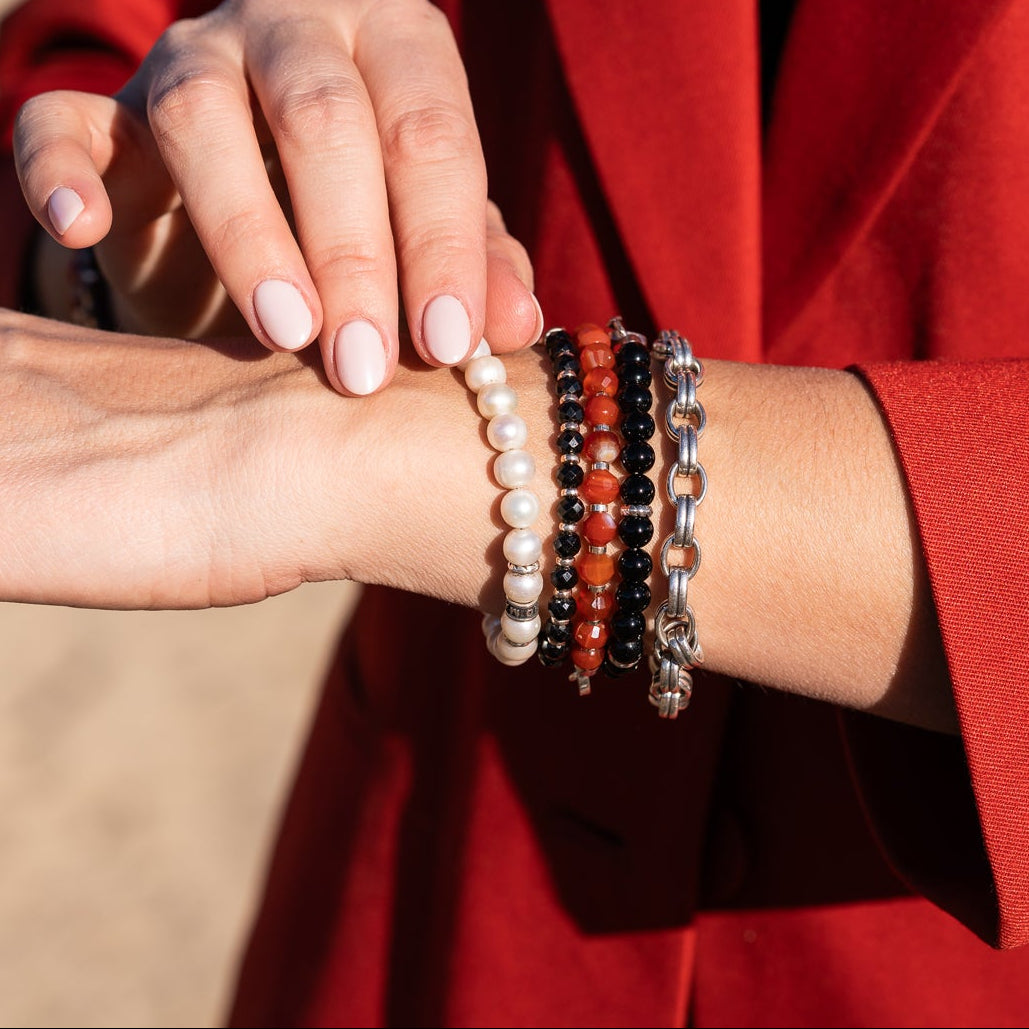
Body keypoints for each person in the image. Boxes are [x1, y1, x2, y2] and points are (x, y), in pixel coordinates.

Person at [1, 0, 1029, 1025]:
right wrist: (116, 251)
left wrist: (382, 455)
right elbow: (111, 51)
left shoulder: (335, 452)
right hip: (428, 908)